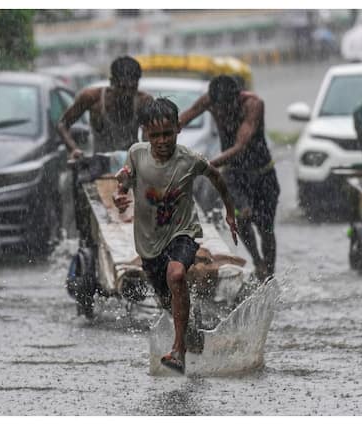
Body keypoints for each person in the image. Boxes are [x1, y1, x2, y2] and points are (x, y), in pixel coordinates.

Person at [113, 98, 238, 374]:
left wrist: (230, 212)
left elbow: (216, 177)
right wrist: (119, 194)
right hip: (149, 244)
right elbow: (124, 178)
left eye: (167, 134)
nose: (161, 141)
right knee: (168, 301)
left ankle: (178, 351)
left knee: (177, 274)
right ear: (145, 133)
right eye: (155, 135)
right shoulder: (137, 154)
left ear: (178, 129)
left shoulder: (189, 160)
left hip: (184, 233)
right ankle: (191, 335)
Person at [179, 75, 280, 281]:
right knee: (241, 218)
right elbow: (185, 117)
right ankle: (257, 262)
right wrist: (160, 133)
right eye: (219, 109)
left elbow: (240, 146)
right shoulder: (210, 100)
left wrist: (206, 166)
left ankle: (269, 274)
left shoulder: (253, 105)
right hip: (234, 175)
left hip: (262, 174)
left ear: (237, 98)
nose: (223, 113)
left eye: (226, 107)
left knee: (265, 228)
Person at [57, 55, 154, 159]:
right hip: (100, 165)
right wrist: (73, 149)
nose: (128, 93)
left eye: (132, 88)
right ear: (112, 82)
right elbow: (63, 124)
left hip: (132, 163)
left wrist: (148, 151)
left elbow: (149, 135)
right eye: (122, 87)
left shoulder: (144, 101)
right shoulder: (92, 98)